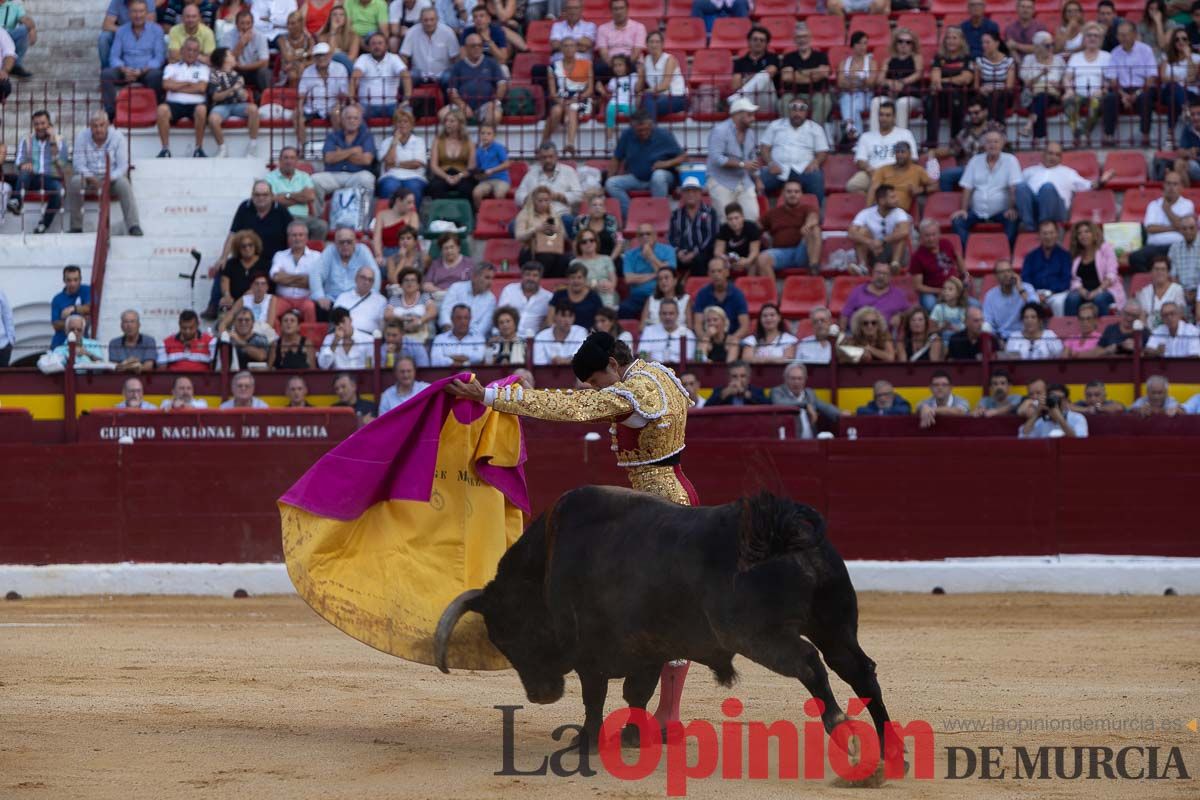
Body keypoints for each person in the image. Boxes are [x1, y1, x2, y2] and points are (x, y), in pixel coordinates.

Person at [447, 329, 698, 724]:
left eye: (597, 380)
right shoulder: (655, 374)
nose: (595, 389)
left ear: (613, 365)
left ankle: (662, 714)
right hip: (673, 498)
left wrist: (489, 397)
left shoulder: (631, 393)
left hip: (661, 511)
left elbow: (569, 407)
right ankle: (665, 714)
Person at [208, 181, 293, 314]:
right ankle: (214, 304)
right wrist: (223, 257)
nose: (261, 198)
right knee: (224, 266)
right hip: (247, 255)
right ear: (252, 195)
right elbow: (233, 234)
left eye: (265, 195)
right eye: (257, 194)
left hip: (272, 260)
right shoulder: (245, 207)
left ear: (271, 196)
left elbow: (292, 235)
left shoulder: (281, 211)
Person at [67, 112, 141, 236]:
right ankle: (76, 226)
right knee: (75, 182)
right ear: (90, 126)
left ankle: (133, 225)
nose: (98, 129)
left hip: (111, 179)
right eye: (95, 126)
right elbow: (78, 164)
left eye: (102, 125)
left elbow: (122, 166)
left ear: (108, 125)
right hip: (89, 178)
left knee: (124, 184)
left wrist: (109, 179)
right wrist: (92, 178)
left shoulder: (117, 137)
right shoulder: (82, 136)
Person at [604, 111, 684, 220]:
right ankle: (632, 217)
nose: (643, 133)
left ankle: (659, 217)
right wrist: (607, 180)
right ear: (633, 128)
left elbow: (683, 157)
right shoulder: (627, 134)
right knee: (611, 184)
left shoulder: (664, 135)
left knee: (658, 176)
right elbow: (616, 158)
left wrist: (666, 164)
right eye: (639, 130)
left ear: (651, 125)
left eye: (646, 129)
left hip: (662, 178)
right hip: (637, 177)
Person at [1017, 144, 1112, 233]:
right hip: (1033, 208)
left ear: (1060, 158)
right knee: (1021, 187)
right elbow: (1018, 193)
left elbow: (1088, 185)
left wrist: (1101, 181)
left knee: (1047, 188)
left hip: (1057, 209)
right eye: (1050, 153)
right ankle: (1029, 227)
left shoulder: (1068, 173)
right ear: (1044, 154)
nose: (1053, 157)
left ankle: (1045, 228)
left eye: (1057, 155)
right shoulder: (1029, 171)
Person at [951, 130, 1021, 248]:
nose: (992, 145)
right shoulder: (975, 161)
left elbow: (1013, 187)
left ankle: (1004, 255)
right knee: (958, 222)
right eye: (988, 142)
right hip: (977, 212)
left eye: (996, 142)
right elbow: (967, 187)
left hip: (1001, 212)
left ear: (1002, 144)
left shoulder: (1010, 160)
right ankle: (972, 250)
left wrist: (1012, 208)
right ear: (983, 145)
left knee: (1013, 220)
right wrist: (963, 209)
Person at [101, 0, 165, 121]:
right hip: (126, 69)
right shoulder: (121, 31)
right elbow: (114, 57)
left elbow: (159, 58)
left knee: (156, 75)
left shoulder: (157, 30)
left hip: (146, 70)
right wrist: (123, 68)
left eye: (141, 11)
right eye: (134, 12)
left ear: (147, 13)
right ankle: (111, 113)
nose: (138, 15)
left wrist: (143, 70)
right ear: (129, 14)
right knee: (106, 74)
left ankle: (156, 110)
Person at [759, 97, 829, 203]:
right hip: (778, 168)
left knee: (816, 176)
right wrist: (770, 163)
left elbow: (822, 152)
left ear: (806, 112)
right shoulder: (775, 125)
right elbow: (764, 148)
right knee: (757, 180)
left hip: (803, 169)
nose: (797, 113)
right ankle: (759, 215)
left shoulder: (815, 128)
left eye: (802, 110)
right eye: (794, 109)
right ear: (789, 111)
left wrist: (816, 162)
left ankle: (816, 213)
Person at [706, 98, 764, 225]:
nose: (753, 118)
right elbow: (716, 158)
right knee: (726, 221)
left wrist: (758, 179)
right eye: (749, 115)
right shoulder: (720, 131)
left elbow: (752, 157)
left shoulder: (750, 133)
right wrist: (742, 164)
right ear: (737, 115)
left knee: (752, 217)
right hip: (721, 180)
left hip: (743, 180)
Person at [1102, 21, 1157, 146]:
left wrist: (1136, 94)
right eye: (1120, 35)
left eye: (1126, 34)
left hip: (1142, 89)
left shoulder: (1145, 50)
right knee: (1110, 99)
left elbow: (1151, 77)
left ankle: (1145, 135)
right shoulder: (1115, 52)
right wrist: (1123, 95)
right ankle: (1108, 136)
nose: (1123, 38)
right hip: (1122, 90)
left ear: (1134, 35)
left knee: (1145, 98)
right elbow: (1112, 79)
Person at [1128, 171, 1195, 273]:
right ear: (1164, 185)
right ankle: (1153, 281)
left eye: (1175, 184)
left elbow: (1184, 228)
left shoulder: (1187, 204)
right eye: (1168, 183)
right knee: (1135, 258)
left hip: (1177, 245)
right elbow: (1150, 228)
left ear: (1181, 187)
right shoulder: (1154, 205)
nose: (1171, 187)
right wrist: (1174, 228)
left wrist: (1167, 209)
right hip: (1155, 247)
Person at [155, 37, 210, 159]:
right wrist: (189, 83)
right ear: (182, 50)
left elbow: (201, 88)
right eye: (188, 50)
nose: (191, 53)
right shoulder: (171, 67)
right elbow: (166, 85)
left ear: (198, 53)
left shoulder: (204, 68)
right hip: (174, 104)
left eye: (195, 51)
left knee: (202, 110)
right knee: (161, 110)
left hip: (196, 105)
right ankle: (165, 149)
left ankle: (198, 149)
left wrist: (176, 86)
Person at [847, 101, 918, 195]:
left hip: (896, 173)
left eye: (888, 115)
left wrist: (895, 171)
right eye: (881, 115)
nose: (884, 118)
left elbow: (913, 158)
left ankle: (877, 200)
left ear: (894, 117)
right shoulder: (866, 136)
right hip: (871, 173)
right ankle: (875, 204)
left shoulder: (905, 134)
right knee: (852, 186)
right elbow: (860, 160)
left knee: (891, 189)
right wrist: (871, 170)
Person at [756, 180, 822, 281]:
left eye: (796, 192)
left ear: (801, 194)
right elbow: (756, 228)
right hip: (781, 253)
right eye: (789, 191)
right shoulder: (773, 213)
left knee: (815, 229)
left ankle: (814, 268)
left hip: (803, 252)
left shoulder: (808, 208)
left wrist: (807, 225)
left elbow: (813, 218)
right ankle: (771, 294)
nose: (793, 194)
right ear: (783, 194)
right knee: (762, 259)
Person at [312, 104, 378, 203]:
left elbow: (366, 160)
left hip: (356, 175)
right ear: (342, 120)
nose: (352, 121)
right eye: (349, 118)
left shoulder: (366, 136)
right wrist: (353, 151)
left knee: (367, 178)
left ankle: (363, 216)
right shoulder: (333, 136)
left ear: (360, 121)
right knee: (314, 180)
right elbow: (329, 158)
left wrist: (340, 154)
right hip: (334, 175)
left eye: (355, 118)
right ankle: (318, 216)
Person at [15, 110, 67, 235]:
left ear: (49, 124)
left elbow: (62, 163)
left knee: (59, 190)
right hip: (33, 178)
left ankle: (43, 224)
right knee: (24, 172)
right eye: (36, 124)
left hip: (51, 178)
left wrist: (53, 141)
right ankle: (16, 202)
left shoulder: (60, 140)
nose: (40, 127)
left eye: (43, 123)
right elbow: (18, 160)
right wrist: (24, 164)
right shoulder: (27, 139)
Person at [923, 27, 975, 150]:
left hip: (960, 96)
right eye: (948, 38)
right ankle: (932, 143)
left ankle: (955, 141)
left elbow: (966, 78)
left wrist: (944, 81)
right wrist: (947, 81)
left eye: (954, 38)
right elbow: (935, 78)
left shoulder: (967, 57)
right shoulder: (939, 57)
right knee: (934, 98)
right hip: (941, 97)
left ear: (961, 40)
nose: (950, 41)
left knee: (952, 94)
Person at [311, 228, 382, 318]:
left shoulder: (363, 251)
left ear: (355, 242)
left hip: (357, 300)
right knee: (320, 308)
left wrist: (371, 297)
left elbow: (375, 274)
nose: (345, 245)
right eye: (341, 242)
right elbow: (316, 273)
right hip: (333, 300)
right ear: (335, 243)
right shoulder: (330, 251)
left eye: (349, 242)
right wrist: (320, 297)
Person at [206, 46, 260, 159]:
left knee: (253, 109)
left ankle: (253, 146)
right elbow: (215, 97)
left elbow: (243, 96)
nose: (234, 56)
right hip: (221, 106)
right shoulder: (215, 75)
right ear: (224, 59)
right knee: (213, 119)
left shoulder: (238, 75)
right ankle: (222, 148)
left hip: (237, 105)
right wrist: (232, 89)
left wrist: (243, 94)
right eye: (230, 55)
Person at [1063, 22, 1110, 146]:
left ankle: (1082, 134)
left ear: (1101, 39)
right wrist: (1068, 90)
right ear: (1084, 39)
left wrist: (1103, 89)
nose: (1092, 38)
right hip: (1077, 94)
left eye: (1096, 36)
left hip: (1097, 94)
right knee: (1068, 101)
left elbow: (1110, 79)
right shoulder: (1075, 57)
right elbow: (1067, 78)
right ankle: (1081, 134)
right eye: (1089, 35)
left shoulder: (1107, 57)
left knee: (1095, 102)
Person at [1065, 220, 1124, 317]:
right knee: (1071, 298)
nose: (1083, 235)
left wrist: (1097, 291)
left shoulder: (1106, 249)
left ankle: (1102, 330)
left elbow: (1111, 275)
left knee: (1099, 299)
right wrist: (1082, 290)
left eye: (1087, 231)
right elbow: (1074, 279)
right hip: (1084, 291)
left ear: (1094, 234)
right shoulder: (1076, 255)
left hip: (1106, 289)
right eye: (1079, 233)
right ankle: (1071, 330)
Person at [445, 32, 506, 126]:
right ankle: (462, 139)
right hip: (462, 105)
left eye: (480, 45)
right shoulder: (458, 66)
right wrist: (461, 105)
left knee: (495, 115)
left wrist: (495, 102)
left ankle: (484, 138)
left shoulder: (491, 63)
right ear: (465, 48)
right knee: (443, 114)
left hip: (486, 105)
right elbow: (452, 91)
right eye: (473, 46)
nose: (477, 48)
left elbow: (501, 84)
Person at [869, 27, 922, 134]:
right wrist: (891, 83)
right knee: (875, 102)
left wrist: (902, 83)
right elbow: (880, 79)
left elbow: (917, 74)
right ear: (895, 43)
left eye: (908, 42)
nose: (904, 44)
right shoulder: (888, 60)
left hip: (910, 94)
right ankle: (874, 137)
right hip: (891, 93)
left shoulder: (916, 58)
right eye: (900, 41)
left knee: (901, 104)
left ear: (913, 45)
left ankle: (900, 139)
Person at [543, 36, 591, 154]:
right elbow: (553, 93)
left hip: (580, 99)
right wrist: (563, 102)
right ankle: (544, 142)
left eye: (572, 46)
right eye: (566, 46)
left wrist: (576, 99)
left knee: (572, 108)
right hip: (560, 99)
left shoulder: (587, 64)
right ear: (561, 49)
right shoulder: (553, 67)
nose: (569, 48)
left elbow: (590, 90)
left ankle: (570, 143)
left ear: (576, 48)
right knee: (556, 111)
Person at [848, 184, 912, 270]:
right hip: (872, 251)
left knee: (899, 232)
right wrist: (870, 242)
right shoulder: (865, 213)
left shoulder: (900, 212)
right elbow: (851, 233)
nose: (897, 200)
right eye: (892, 197)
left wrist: (882, 241)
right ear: (882, 201)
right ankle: (863, 266)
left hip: (891, 250)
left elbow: (905, 231)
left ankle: (895, 264)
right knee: (862, 231)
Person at [295, 42, 349, 143]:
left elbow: (344, 93)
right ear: (314, 58)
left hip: (333, 106)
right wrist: (299, 108)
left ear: (330, 55)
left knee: (336, 113)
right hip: (312, 108)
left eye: (324, 55)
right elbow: (301, 94)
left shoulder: (340, 69)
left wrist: (338, 106)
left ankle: (340, 144)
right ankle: (303, 147)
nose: (321, 58)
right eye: (318, 55)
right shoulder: (308, 71)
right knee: (296, 116)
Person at [1019, 31, 1066, 148]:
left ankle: (1030, 127)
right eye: (1047, 45)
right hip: (1032, 94)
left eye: (1052, 44)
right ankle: (1040, 137)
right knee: (1040, 99)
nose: (1051, 48)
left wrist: (1057, 85)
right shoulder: (1028, 60)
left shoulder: (1058, 60)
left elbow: (1065, 83)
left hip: (1053, 94)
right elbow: (1027, 83)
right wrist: (1040, 74)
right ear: (1037, 47)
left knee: (1041, 98)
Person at [771, 362, 842, 439]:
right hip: (790, 441)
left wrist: (840, 414)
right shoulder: (778, 391)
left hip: (811, 441)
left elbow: (824, 406)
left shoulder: (809, 393)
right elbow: (779, 404)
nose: (796, 382)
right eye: (793, 378)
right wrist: (805, 405)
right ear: (785, 379)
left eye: (800, 378)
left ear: (805, 379)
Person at [513, 142, 582, 221]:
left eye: (550, 157)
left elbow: (578, 195)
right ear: (539, 158)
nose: (548, 160)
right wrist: (533, 198)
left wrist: (558, 196)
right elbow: (518, 196)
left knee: (570, 222)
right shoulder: (531, 173)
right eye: (544, 157)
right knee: (514, 225)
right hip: (535, 216)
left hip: (560, 214)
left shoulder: (568, 171)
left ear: (556, 156)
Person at [619, 224, 676, 319]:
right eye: (641, 235)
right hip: (638, 296)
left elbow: (669, 275)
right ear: (637, 237)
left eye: (648, 234)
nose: (645, 237)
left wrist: (651, 256)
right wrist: (656, 274)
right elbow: (629, 279)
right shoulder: (630, 254)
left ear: (655, 235)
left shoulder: (668, 251)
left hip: (662, 294)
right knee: (624, 309)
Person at [911, 219, 968, 312]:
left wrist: (965, 275)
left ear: (939, 234)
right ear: (921, 237)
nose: (931, 238)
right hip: (933, 292)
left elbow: (958, 258)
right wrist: (940, 291)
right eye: (927, 235)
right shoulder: (917, 257)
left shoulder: (946, 243)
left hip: (953, 287)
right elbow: (918, 286)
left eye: (934, 234)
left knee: (975, 305)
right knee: (930, 305)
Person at [352, 31, 411, 120]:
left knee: (406, 113)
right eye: (373, 44)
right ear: (369, 47)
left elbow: (405, 75)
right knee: (353, 114)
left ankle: (401, 135)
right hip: (366, 106)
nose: (377, 46)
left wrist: (406, 99)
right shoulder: (363, 58)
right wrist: (352, 101)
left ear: (386, 46)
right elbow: (355, 77)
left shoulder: (394, 58)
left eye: (380, 43)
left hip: (391, 105)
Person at [515, 187, 571, 278]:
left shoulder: (554, 214)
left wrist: (556, 231)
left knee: (567, 258)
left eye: (546, 200)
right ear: (534, 201)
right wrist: (536, 230)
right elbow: (519, 236)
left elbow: (565, 236)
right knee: (546, 256)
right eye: (540, 201)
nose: (543, 204)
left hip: (553, 248)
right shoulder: (524, 214)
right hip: (531, 251)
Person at [270, 220, 321, 319]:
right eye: (294, 235)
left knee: (310, 308)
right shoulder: (280, 255)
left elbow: (316, 282)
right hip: (283, 299)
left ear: (306, 237)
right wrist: (305, 279)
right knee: (271, 312)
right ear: (288, 238)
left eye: (300, 235)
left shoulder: (316, 256)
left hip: (306, 300)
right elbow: (276, 277)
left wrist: (286, 278)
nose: (297, 238)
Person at [1021, 220, 1073, 316]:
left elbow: (1066, 279)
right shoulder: (1031, 256)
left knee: (1059, 303)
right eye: (1045, 233)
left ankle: (1060, 329)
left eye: (1051, 233)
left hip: (1057, 293)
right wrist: (1035, 294)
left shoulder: (1065, 256)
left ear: (1057, 234)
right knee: (1028, 301)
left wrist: (1050, 293)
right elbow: (1026, 278)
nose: (1048, 237)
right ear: (1039, 235)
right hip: (1036, 292)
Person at [867, 140, 935, 213]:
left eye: (903, 152)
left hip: (900, 211)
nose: (899, 155)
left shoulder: (918, 170)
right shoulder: (883, 169)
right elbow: (874, 188)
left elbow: (935, 186)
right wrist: (868, 211)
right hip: (881, 208)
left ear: (910, 154)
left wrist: (920, 190)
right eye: (897, 152)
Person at [668, 177, 718, 276]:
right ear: (682, 194)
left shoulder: (710, 212)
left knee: (699, 260)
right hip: (682, 253)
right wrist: (678, 252)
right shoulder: (676, 215)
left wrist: (694, 253)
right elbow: (671, 237)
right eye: (687, 191)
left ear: (700, 193)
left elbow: (712, 237)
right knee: (667, 261)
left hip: (703, 253)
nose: (690, 194)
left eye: (694, 191)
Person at [378, 109, 429, 207]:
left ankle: (413, 219)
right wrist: (394, 141)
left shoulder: (419, 141)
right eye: (399, 121)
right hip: (391, 176)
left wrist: (396, 164)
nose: (402, 124)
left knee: (413, 187)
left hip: (414, 176)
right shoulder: (386, 142)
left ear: (411, 124)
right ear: (395, 124)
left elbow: (417, 164)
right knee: (389, 186)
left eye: (406, 121)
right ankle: (389, 219)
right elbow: (388, 162)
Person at [841, 263, 913, 332]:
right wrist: (842, 334)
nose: (881, 276)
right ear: (872, 274)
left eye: (885, 274)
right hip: (859, 336)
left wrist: (900, 316)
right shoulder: (858, 291)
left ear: (890, 276)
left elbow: (909, 312)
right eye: (878, 273)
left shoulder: (898, 294)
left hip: (885, 337)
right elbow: (845, 315)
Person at [836, 31, 879, 142]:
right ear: (853, 45)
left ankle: (850, 126)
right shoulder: (844, 63)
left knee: (852, 104)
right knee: (848, 100)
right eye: (859, 43)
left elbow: (871, 82)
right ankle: (858, 137)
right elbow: (840, 83)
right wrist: (860, 81)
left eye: (865, 43)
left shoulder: (871, 63)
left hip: (865, 96)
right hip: (848, 94)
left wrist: (852, 80)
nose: (862, 46)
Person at [691, 259, 749, 340]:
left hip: (731, 339)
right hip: (709, 338)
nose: (716, 275)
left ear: (727, 272)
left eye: (719, 271)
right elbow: (698, 325)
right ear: (708, 274)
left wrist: (733, 339)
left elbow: (744, 326)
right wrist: (704, 338)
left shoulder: (737, 295)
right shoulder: (702, 294)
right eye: (713, 272)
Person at [727, 26, 781, 113]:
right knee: (762, 75)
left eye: (762, 40)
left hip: (767, 100)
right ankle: (736, 98)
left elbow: (771, 72)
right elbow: (735, 85)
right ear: (749, 41)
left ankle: (734, 99)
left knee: (764, 75)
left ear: (767, 44)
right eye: (755, 39)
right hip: (747, 100)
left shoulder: (772, 58)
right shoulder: (740, 62)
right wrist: (754, 79)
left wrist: (747, 79)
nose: (758, 42)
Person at [400, 7, 458, 86]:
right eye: (425, 20)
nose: (429, 23)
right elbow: (404, 55)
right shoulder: (412, 32)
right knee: (407, 78)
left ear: (437, 19)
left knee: (449, 78)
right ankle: (407, 98)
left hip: (442, 74)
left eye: (432, 19)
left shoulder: (448, 32)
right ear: (420, 20)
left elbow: (455, 57)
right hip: (419, 74)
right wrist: (404, 71)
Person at [638, 30, 688, 119]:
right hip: (656, 97)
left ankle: (650, 129)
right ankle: (651, 129)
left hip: (676, 97)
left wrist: (645, 92)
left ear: (662, 44)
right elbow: (639, 87)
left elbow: (664, 85)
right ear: (646, 44)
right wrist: (640, 72)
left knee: (648, 103)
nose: (654, 45)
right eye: (651, 42)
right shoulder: (646, 60)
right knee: (647, 101)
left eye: (657, 42)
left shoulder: (669, 59)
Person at [439, 262, 496, 337]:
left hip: (474, 340)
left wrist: (466, 337)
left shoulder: (491, 299)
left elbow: (484, 327)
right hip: (449, 335)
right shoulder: (456, 288)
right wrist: (451, 332)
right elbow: (445, 311)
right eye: (487, 278)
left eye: (492, 278)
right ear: (474, 277)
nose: (490, 282)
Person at [982, 260, 1036, 340]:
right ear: (996, 276)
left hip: (1024, 336)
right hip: (1002, 337)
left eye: (1008, 271)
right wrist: (995, 339)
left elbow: (1036, 310)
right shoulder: (990, 296)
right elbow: (987, 322)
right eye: (1001, 272)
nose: (1006, 274)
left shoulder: (1027, 288)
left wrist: (1020, 289)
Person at [497, 262, 552, 338]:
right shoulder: (509, 290)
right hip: (507, 337)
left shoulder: (548, 297)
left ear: (540, 277)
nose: (531, 278)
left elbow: (549, 323)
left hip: (533, 340)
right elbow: (500, 315)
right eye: (527, 274)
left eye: (535, 275)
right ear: (522, 276)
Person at [222, 9, 271, 93]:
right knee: (225, 72)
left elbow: (264, 62)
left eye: (248, 23)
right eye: (242, 23)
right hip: (236, 70)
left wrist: (244, 67)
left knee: (264, 72)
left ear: (252, 24)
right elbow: (225, 61)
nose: (245, 27)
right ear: (236, 24)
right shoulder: (228, 36)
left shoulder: (260, 36)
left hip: (254, 70)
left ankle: (266, 99)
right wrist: (241, 44)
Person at [1018, 382, 1088, 437]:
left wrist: (1059, 419)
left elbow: (1079, 441)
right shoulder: (1042, 421)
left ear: (1066, 401)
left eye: (1060, 398)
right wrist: (1037, 412)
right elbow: (1024, 435)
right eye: (1054, 398)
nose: (1057, 401)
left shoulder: (1078, 418)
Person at [571, 228, 618, 308]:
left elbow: (613, 279)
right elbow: (574, 283)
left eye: (591, 240)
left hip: (607, 293)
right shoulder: (575, 263)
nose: (588, 243)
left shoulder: (606, 259)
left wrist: (610, 286)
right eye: (584, 242)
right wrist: (595, 286)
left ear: (596, 242)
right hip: (585, 295)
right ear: (579, 245)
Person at [532, 300, 589, 366]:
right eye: (563, 315)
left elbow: (582, 358)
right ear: (555, 316)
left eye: (570, 316)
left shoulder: (580, 332)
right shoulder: (541, 337)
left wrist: (566, 361)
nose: (567, 320)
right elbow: (539, 364)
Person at [1136, 255, 1188, 327]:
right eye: (1156, 269)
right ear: (1151, 271)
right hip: (1150, 334)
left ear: (1168, 272)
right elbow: (1142, 317)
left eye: (1163, 269)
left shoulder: (1177, 290)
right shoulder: (1144, 292)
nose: (1159, 272)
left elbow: (1181, 316)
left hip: (1171, 333)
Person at [334, 265, 388, 333]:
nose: (366, 282)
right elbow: (334, 321)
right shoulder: (343, 297)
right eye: (363, 278)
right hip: (344, 337)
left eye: (370, 280)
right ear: (356, 278)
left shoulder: (381, 300)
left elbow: (383, 327)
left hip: (367, 339)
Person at [372, 188, 420, 264]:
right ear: (398, 201)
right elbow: (377, 239)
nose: (412, 206)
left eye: (413, 203)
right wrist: (379, 255)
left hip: (406, 252)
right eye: (409, 202)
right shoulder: (382, 215)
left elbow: (412, 239)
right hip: (387, 253)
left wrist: (403, 253)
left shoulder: (413, 216)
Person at [713, 203, 761, 275]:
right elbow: (717, 252)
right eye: (730, 219)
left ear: (742, 217)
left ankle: (749, 284)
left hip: (747, 259)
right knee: (717, 262)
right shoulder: (724, 229)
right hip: (730, 259)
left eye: (736, 218)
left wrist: (747, 261)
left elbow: (754, 251)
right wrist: (727, 260)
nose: (734, 222)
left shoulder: (751, 227)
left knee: (754, 262)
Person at [471, 122, 512, 208]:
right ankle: (480, 214)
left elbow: (507, 164)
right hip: (485, 180)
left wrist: (493, 170)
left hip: (501, 179)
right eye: (482, 133)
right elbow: (477, 168)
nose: (485, 136)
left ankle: (499, 216)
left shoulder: (498, 147)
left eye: (489, 133)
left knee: (499, 194)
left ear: (494, 136)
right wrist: (477, 174)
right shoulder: (478, 150)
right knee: (476, 193)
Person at [50, 266, 91, 349]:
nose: (72, 284)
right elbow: (55, 325)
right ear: (64, 280)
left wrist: (73, 309)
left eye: (76, 280)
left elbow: (90, 308)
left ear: (80, 279)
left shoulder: (86, 290)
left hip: (83, 345)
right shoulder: (57, 299)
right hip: (60, 344)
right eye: (69, 280)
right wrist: (78, 322)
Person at [1168, 213, 1200, 312]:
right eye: (1184, 229)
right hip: (1181, 293)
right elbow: (1173, 276)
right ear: (1180, 230)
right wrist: (1182, 292)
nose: (1188, 231)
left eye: (1191, 228)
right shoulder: (1175, 248)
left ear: (1197, 228)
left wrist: (1197, 293)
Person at [279, 10, 315, 87]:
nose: (289, 26)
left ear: (301, 23)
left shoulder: (309, 39)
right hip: (287, 69)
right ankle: (294, 96)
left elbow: (313, 59)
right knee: (293, 75)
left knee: (302, 71)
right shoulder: (282, 39)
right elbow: (288, 58)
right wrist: (305, 55)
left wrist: (303, 64)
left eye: (293, 23)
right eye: (288, 23)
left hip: (305, 67)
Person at [931, 277, 969, 341]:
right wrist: (942, 327)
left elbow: (967, 329)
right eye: (944, 289)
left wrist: (957, 329)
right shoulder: (938, 308)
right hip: (943, 341)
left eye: (950, 289)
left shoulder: (963, 309)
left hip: (959, 340)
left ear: (958, 293)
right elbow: (931, 330)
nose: (946, 291)